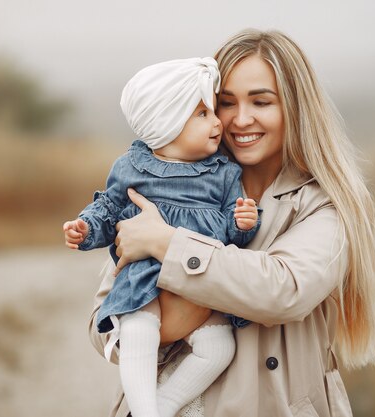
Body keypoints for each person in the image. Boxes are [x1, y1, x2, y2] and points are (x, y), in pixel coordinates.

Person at [89, 29, 375, 417]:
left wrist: (166, 245)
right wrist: (157, 328)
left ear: (295, 108)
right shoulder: (170, 186)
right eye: (225, 103)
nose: (240, 119)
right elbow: (102, 326)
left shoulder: (325, 204)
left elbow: (282, 290)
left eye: (261, 101)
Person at [65, 57, 260, 417]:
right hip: (144, 280)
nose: (218, 122)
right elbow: (109, 209)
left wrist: (244, 223)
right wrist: (87, 228)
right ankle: (144, 411)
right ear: (166, 123)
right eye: (202, 114)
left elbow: (233, 234)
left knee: (219, 348)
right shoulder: (132, 167)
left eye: (213, 111)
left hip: (204, 283)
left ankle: (165, 405)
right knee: (138, 330)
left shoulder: (223, 171)